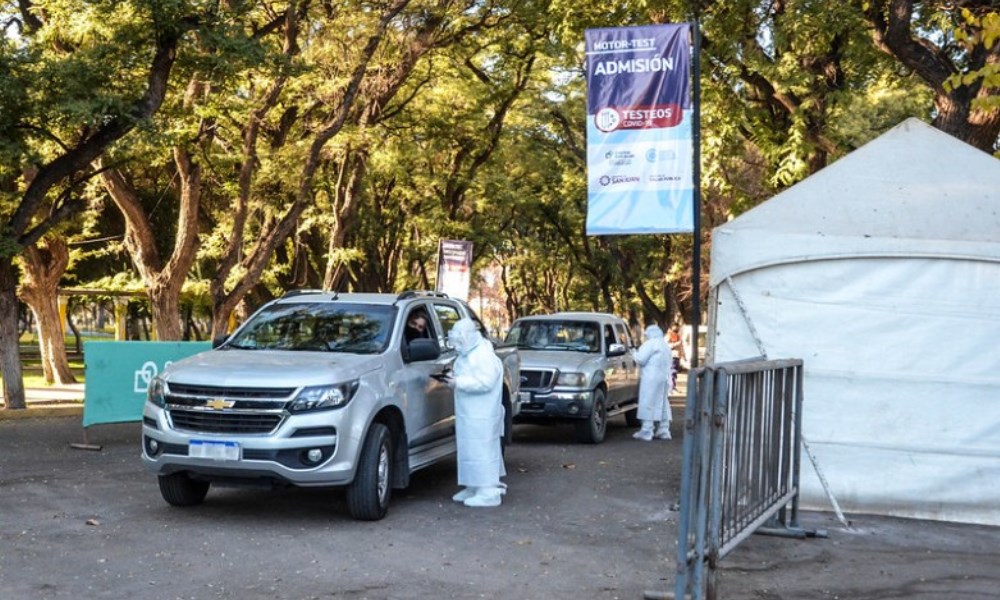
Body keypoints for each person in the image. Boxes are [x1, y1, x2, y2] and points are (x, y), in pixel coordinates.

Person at [447, 318, 507, 508]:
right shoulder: (467, 354)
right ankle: (473, 485)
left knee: (482, 449)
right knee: (468, 449)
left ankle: (488, 490)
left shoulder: (483, 355)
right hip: (468, 412)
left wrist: (459, 382)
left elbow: (485, 382)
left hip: (482, 413)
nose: (457, 346)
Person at [632, 324, 673, 441]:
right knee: (663, 402)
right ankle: (664, 429)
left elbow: (641, 359)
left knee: (648, 401)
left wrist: (633, 353)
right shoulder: (664, 345)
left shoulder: (650, 344)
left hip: (651, 377)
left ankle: (647, 429)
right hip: (664, 377)